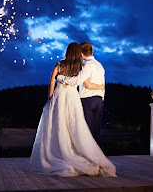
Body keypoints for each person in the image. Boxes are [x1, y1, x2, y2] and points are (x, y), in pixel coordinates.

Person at [29, 42, 116, 177]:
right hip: (74, 97)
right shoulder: (81, 66)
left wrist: (51, 96)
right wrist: (100, 87)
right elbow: (78, 81)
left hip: (60, 96)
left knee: (58, 124)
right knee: (75, 126)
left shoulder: (60, 64)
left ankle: (60, 151)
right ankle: (82, 153)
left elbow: (52, 81)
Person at [57, 42, 105, 144]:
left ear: (81, 53)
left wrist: (61, 78)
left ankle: (89, 156)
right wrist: (101, 90)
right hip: (99, 101)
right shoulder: (100, 65)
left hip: (88, 100)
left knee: (86, 131)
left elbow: (78, 80)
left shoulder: (87, 66)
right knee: (96, 131)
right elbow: (102, 84)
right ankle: (99, 154)